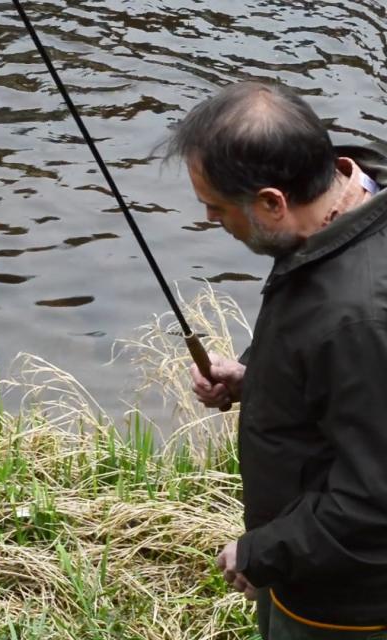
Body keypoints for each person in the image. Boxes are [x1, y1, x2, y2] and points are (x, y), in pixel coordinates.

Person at [166, 80, 387, 638]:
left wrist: (262, 551)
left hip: (347, 602)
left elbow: (375, 499)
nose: (211, 222)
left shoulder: (358, 317)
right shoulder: (346, 216)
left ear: (272, 202)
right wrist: (253, 374)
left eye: (217, 209)